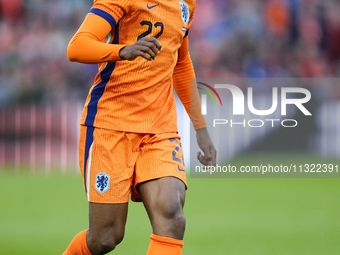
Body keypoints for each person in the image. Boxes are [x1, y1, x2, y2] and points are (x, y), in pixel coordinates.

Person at [63, 0, 216, 254]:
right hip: (110, 125)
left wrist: (200, 127)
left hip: (159, 128)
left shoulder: (185, 3)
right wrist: (123, 51)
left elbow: (181, 61)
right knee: (105, 238)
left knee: (172, 215)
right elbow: (77, 46)